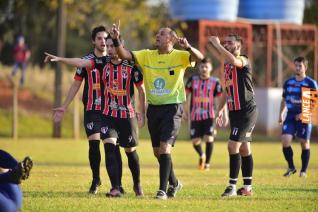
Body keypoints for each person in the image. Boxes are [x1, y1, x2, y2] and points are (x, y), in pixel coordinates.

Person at [109, 22, 204, 199]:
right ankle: (175, 183)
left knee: (165, 148)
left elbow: (200, 58)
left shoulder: (181, 56)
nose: (157, 36)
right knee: (157, 152)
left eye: (161, 34)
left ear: (171, 39)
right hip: (153, 109)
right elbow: (124, 54)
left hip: (173, 107)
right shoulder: (147, 55)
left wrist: (189, 47)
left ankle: (162, 190)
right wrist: (115, 40)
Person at [44, 35, 146, 198]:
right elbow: (81, 63)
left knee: (130, 151)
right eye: (109, 46)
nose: (110, 49)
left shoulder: (131, 65)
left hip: (127, 115)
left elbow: (141, 90)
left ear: (121, 46)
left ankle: (137, 184)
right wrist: (60, 59)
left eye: (113, 46)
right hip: (108, 115)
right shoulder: (102, 63)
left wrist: (142, 112)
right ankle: (115, 187)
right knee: (109, 147)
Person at [52, 26, 125, 195]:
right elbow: (76, 84)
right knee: (94, 144)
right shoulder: (86, 61)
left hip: (110, 110)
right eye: (99, 38)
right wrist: (64, 106)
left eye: (105, 38)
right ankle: (96, 179)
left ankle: (117, 184)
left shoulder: (113, 59)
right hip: (92, 108)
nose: (102, 42)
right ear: (93, 40)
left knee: (111, 146)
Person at [209, 34, 258, 197]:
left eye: (230, 42)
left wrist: (217, 45)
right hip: (235, 111)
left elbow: (235, 61)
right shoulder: (227, 66)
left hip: (247, 111)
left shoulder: (243, 59)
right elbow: (227, 89)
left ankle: (231, 187)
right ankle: (248, 188)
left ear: (238, 45)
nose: (227, 44)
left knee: (232, 146)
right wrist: (220, 109)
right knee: (244, 149)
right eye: (225, 42)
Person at [278, 56, 318, 178]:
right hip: (290, 115)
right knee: (285, 141)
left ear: (305, 67)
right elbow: (284, 100)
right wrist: (280, 114)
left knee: (304, 142)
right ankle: (291, 167)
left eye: (300, 66)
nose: (297, 68)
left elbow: (314, 103)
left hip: (304, 114)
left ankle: (303, 171)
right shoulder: (288, 82)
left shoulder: (310, 83)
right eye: (296, 65)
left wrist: (304, 113)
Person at [184, 57, 223, 170]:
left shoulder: (215, 82)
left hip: (209, 115)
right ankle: (202, 155)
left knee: (209, 138)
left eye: (206, 66)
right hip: (195, 115)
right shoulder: (192, 80)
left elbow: (220, 99)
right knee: (195, 140)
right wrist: (183, 110)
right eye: (202, 66)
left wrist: (221, 113)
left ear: (210, 68)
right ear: (198, 68)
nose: (204, 69)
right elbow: (185, 96)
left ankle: (207, 164)